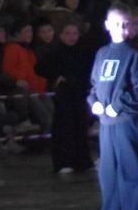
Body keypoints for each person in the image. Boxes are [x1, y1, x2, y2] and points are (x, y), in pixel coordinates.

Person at [83, 5, 138, 210]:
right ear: (107, 25)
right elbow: (94, 85)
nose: (121, 29)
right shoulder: (102, 53)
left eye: (125, 24)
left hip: (125, 120)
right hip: (106, 122)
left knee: (132, 170)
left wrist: (119, 105)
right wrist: (94, 102)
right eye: (116, 24)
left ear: (131, 26)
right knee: (108, 172)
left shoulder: (135, 54)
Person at [38, 20, 95, 174]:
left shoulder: (83, 51)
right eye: (68, 34)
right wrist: (56, 77)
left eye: (75, 34)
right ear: (61, 35)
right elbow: (40, 68)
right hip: (64, 94)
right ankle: (64, 161)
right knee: (65, 127)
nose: (72, 37)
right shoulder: (55, 51)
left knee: (81, 126)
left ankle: (83, 161)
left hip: (79, 92)